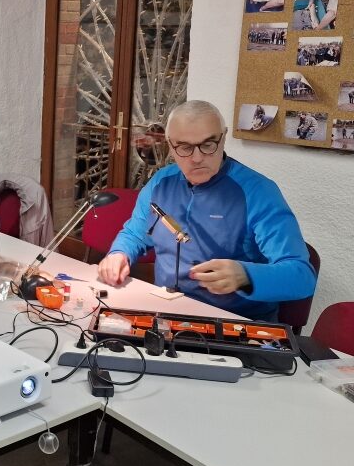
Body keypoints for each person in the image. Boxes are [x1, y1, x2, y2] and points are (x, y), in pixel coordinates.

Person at [97, 101, 316, 321]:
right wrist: (120, 254)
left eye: (208, 144)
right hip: (165, 315)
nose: (197, 158)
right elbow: (135, 234)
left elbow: (302, 276)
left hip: (233, 325)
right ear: (170, 145)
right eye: (184, 147)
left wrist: (246, 275)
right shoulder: (161, 182)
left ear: (224, 137)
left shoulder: (258, 192)